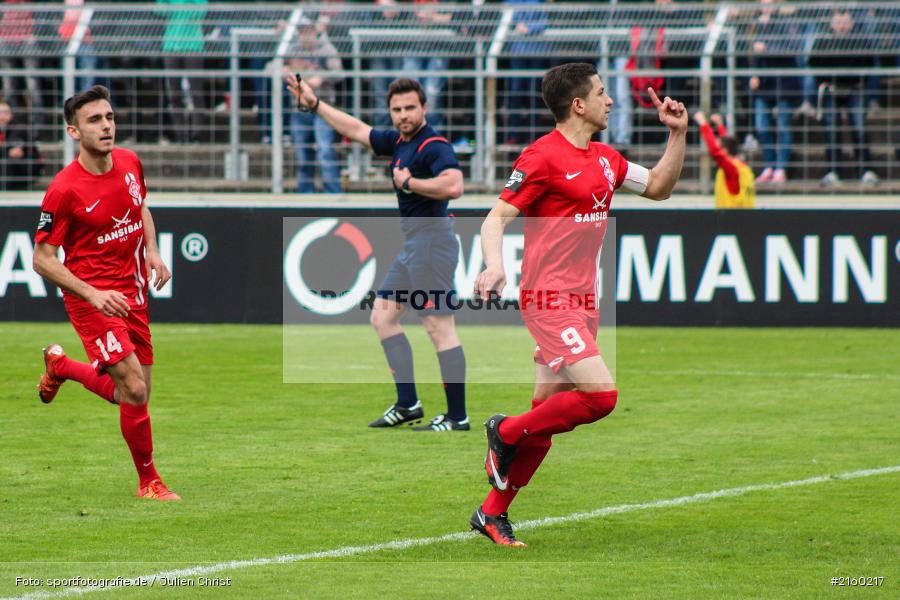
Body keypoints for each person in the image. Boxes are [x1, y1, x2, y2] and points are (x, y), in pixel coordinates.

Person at [470, 62, 687, 546]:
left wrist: (677, 135)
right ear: (579, 104)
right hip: (548, 301)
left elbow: (659, 187)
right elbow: (494, 219)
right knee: (600, 396)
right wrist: (495, 265)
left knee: (543, 418)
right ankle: (502, 432)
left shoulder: (607, 159)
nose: (612, 101)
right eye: (604, 93)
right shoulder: (541, 157)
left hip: (584, 303)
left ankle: (490, 514)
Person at [286, 74, 469, 432]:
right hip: (415, 245)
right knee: (383, 317)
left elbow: (455, 184)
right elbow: (357, 129)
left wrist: (410, 183)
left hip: (433, 244)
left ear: (424, 108)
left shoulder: (433, 145)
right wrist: (316, 104)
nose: (403, 115)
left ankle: (457, 417)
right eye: (397, 109)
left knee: (438, 327)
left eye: (410, 108)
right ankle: (408, 404)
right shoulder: (400, 142)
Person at [32, 85, 179, 501]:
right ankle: (148, 481)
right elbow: (42, 259)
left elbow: (141, 206)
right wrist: (92, 294)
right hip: (91, 301)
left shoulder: (131, 162)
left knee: (132, 393)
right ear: (73, 132)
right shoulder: (64, 189)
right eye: (95, 120)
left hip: (132, 294)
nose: (107, 126)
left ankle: (60, 367)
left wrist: (152, 250)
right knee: (133, 388)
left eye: (110, 117)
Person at [808, 9, 879, 187]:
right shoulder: (823, 40)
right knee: (831, 130)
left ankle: (865, 171)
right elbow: (814, 64)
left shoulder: (860, 40)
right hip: (831, 90)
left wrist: (851, 79)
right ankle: (833, 172)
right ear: (831, 24)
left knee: (859, 128)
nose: (841, 26)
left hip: (854, 90)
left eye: (845, 22)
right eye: (838, 22)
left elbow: (868, 63)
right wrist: (829, 81)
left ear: (851, 23)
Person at [286, 19, 344, 193]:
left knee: (325, 151)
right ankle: (305, 195)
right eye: (302, 31)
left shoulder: (326, 48)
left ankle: (333, 194)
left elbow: (340, 73)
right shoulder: (292, 49)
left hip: (323, 108)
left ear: (314, 31)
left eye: (308, 30)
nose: (305, 35)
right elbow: (271, 66)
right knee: (302, 155)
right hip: (299, 108)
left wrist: (321, 78)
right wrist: (283, 70)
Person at [694, 111, 755, 209]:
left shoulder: (731, 169)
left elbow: (715, 151)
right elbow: (727, 143)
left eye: (720, 147)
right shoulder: (741, 165)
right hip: (744, 215)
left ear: (725, 150)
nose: (717, 148)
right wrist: (720, 125)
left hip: (731, 219)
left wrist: (703, 123)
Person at [0, 98, 42, 190]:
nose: (1, 117)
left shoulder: (19, 129)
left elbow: (14, 152)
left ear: (11, 115)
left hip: (25, 170)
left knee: (8, 162)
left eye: (5, 113)